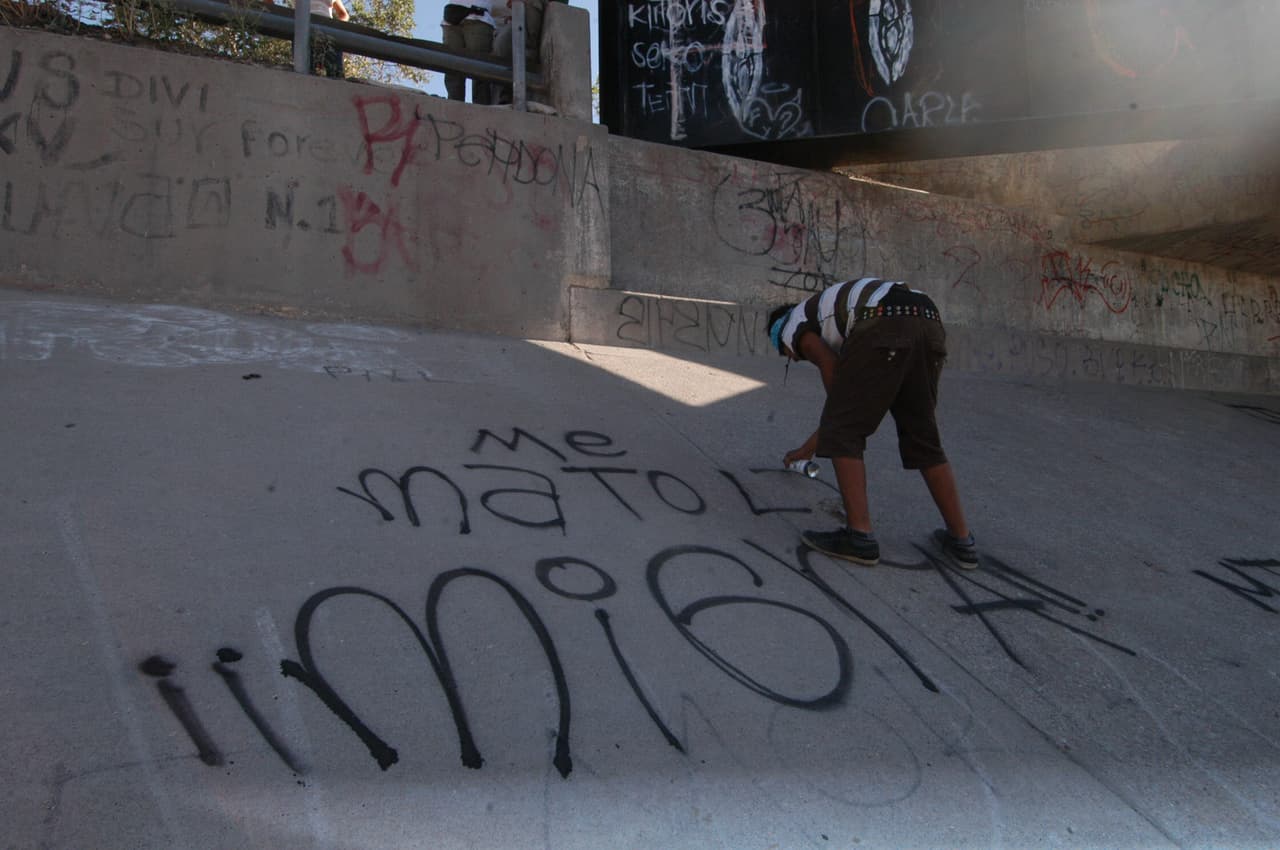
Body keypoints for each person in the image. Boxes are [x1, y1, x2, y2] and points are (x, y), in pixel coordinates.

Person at [767, 277, 978, 569]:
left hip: (884, 320)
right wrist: (809, 448)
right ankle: (961, 541)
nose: (795, 356)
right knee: (923, 435)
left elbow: (838, 402)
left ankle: (859, 537)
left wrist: (833, 429)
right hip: (927, 318)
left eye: (788, 356)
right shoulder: (828, 316)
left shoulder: (793, 327)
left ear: (781, 338)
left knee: (844, 432)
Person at [490, 0, 566, 104]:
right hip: (519, 14)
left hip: (534, 9)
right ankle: (508, 89)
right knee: (502, 43)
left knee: (519, 47)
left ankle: (513, 91)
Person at [442, 1, 497, 104]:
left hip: (478, 18)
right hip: (451, 19)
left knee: (480, 72)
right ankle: (454, 110)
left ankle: (482, 113)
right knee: (452, 72)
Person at [310, 0, 350, 79]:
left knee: (336, 70)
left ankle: (337, 82)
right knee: (307, 67)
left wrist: (336, 27)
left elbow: (344, 15)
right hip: (306, 25)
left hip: (328, 28)